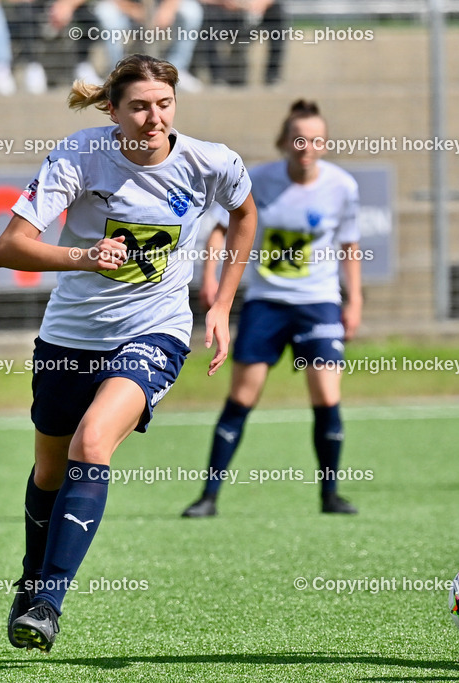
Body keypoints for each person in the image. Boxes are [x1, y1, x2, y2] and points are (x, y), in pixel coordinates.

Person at [0, 54, 256, 652]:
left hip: (156, 331)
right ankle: (33, 578)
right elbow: (8, 248)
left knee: (93, 442)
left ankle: (49, 602)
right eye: (138, 106)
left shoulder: (209, 161)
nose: (153, 118)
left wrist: (219, 304)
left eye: (163, 104)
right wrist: (84, 256)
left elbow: (245, 215)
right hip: (69, 337)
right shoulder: (80, 155)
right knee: (50, 470)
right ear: (112, 110)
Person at [181, 99, 362, 518]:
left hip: (319, 304)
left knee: (326, 397)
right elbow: (221, 230)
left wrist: (354, 301)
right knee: (241, 397)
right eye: (299, 139)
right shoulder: (257, 180)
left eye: (316, 139)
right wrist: (209, 278)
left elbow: (350, 247)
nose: (307, 147)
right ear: (283, 141)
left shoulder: (342, 187)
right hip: (267, 301)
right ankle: (208, 496)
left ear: (326, 143)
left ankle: (330, 495)